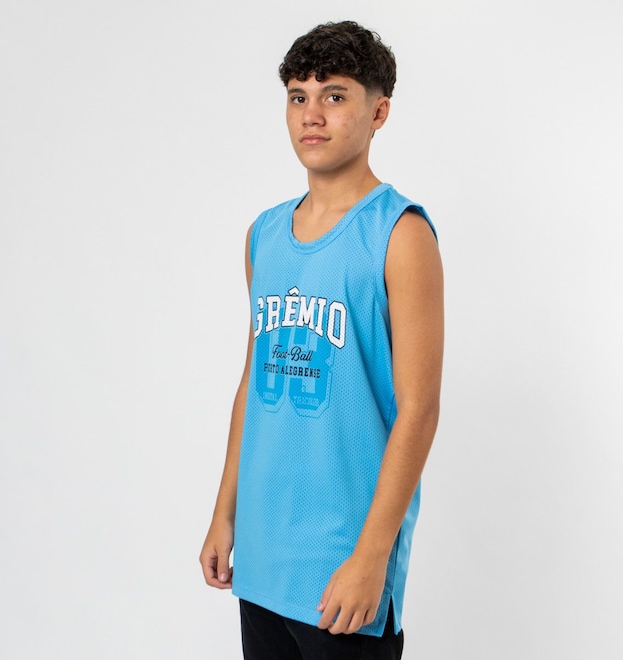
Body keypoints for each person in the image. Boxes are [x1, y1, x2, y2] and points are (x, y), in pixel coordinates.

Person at [200, 20, 444, 660]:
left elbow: (419, 409)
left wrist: (372, 556)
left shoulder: (400, 234)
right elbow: (253, 381)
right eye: (298, 96)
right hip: (264, 558)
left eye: (335, 96)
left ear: (378, 112)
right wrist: (225, 512)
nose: (312, 114)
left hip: (344, 566)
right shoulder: (264, 234)